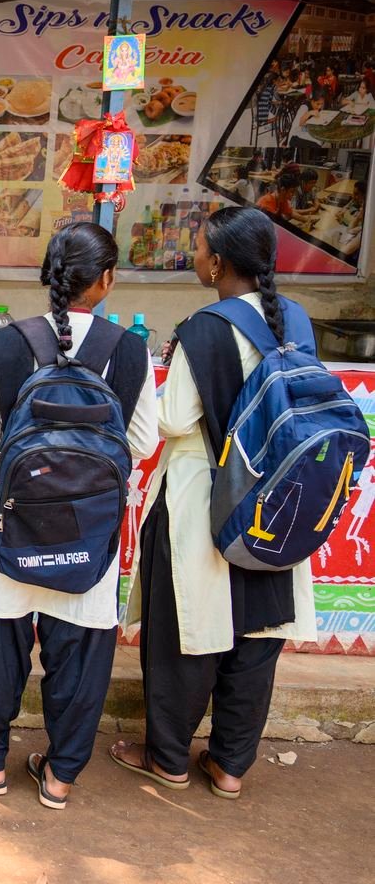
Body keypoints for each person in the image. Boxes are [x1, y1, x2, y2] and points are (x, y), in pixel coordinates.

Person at [0, 223, 157, 810]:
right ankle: (59, 777)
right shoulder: (129, 349)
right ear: (106, 280)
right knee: (81, 654)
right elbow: (141, 443)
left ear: (49, 278)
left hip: (10, 526)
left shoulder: (9, 343)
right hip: (91, 530)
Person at [110, 207, 317, 800]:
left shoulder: (206, 328)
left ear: (219, 264)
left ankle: (168, 758)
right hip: (281, 503)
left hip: (207, 501)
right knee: (260, 632)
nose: (195, 257)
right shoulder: (296, 319)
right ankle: (229, 766)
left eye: (199, 249)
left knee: (187, 631)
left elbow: (175, 418)